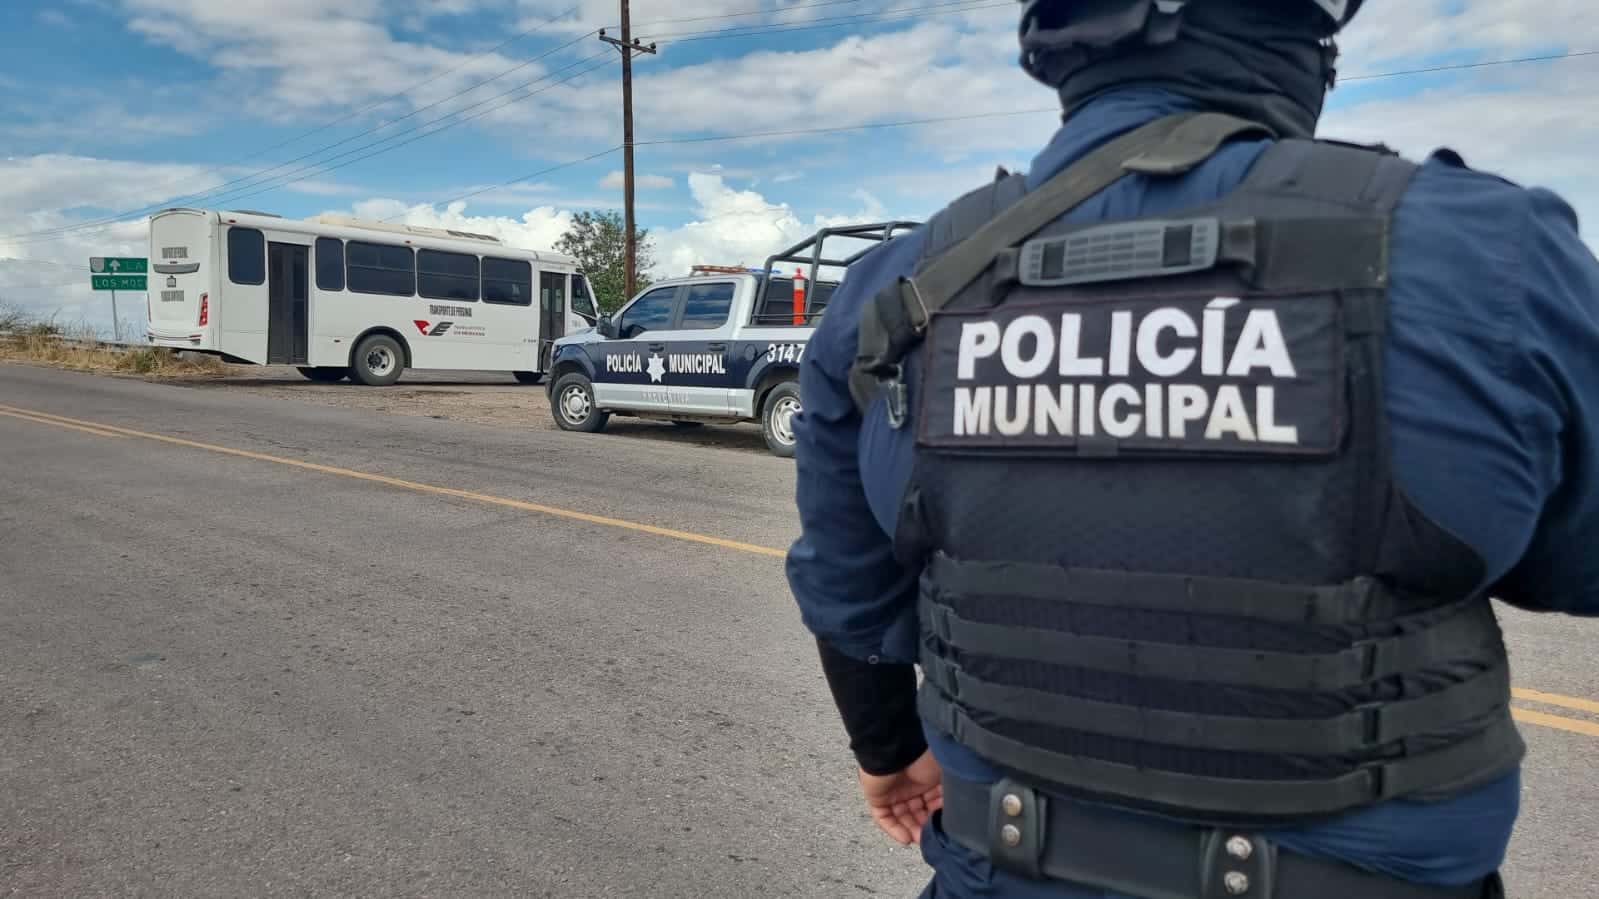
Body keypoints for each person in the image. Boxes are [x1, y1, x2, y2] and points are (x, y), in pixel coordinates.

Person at [784, 1, 1599, 897]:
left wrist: (887, 751)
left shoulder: (897, 291)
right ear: (1301, 37)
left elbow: (850, 595)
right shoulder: (1482, 251)